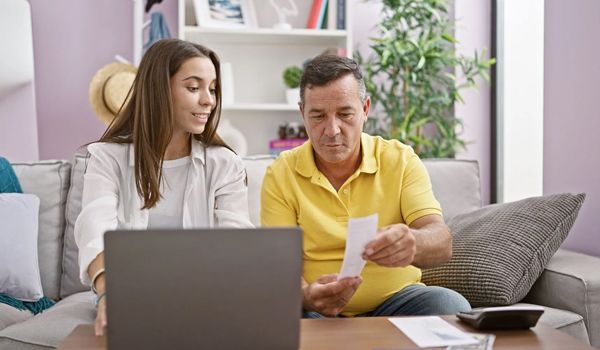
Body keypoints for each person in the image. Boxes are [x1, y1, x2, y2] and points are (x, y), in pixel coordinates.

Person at [261, 54, 471, 318]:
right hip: (318, 311)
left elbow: (442, 242)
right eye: (318, 116)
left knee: (449, 305)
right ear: (302, 112)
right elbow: (279, 266)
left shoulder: (400, 159)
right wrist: (307, 296)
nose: (332, 130)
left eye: (345, 114)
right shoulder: (281, 173)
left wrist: (413, 242)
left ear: (365, 109)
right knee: (282, 315)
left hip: (398, 301)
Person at [75, 39, 253, 336]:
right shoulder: (107, 158)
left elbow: (238, 245)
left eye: (212, 89)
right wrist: (109, 295)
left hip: (206, 295)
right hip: (129, 291)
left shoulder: (225, 164)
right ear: (159, 90)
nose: (209, 100)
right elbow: (95, 231)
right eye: (194, 88)